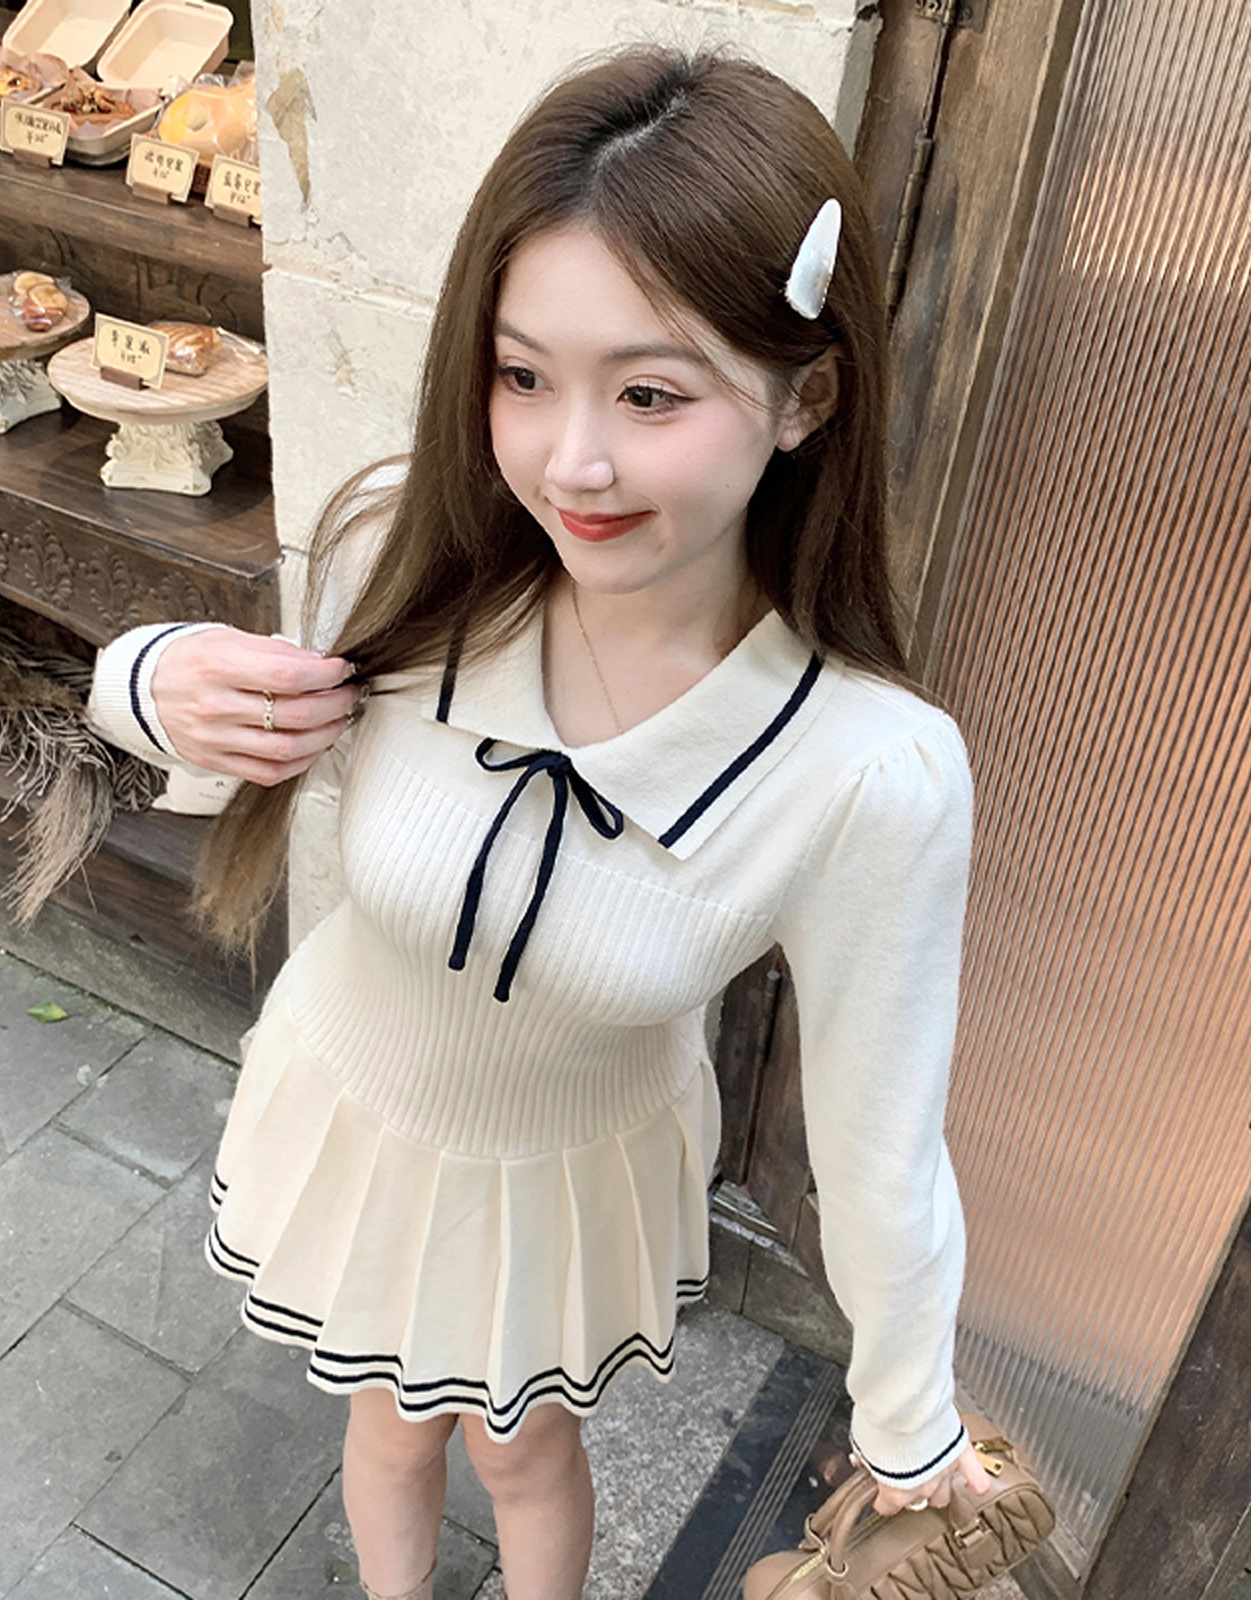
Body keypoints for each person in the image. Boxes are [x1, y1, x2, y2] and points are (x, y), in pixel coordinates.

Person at [86, 46, 989, 1600]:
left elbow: (880, 1147)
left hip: (558, 1180)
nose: (573, 462)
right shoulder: (414, 547)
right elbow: (239, 720)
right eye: (522, 376)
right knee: (382, 1425)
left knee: (519, 1454)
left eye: (651, 393)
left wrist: (911, 1428)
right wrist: (151, 680)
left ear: (807, 397)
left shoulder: (868, 772)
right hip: (357, 1106)